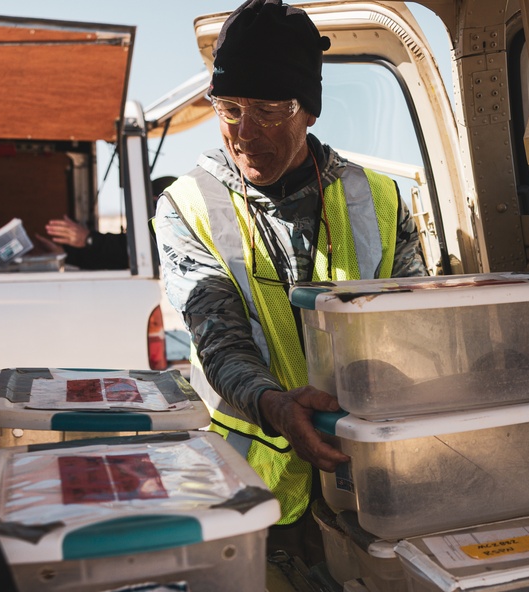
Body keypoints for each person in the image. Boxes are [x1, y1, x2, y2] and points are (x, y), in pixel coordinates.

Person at [153, 0, 426, 561]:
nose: (245, 131)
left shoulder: (381, 198)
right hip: (251, 492)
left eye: (269, 109)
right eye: (229, 108)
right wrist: (279, 407)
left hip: (374, 473)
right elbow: (219, 339)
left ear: (309, 111)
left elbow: (415, 325)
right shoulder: (186, 206)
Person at [39, 176, 178, 270]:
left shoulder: (177, 240)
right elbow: (118, 259)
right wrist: (64, 255)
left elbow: (132, 253)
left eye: (151, 205)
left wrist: (88, 239)